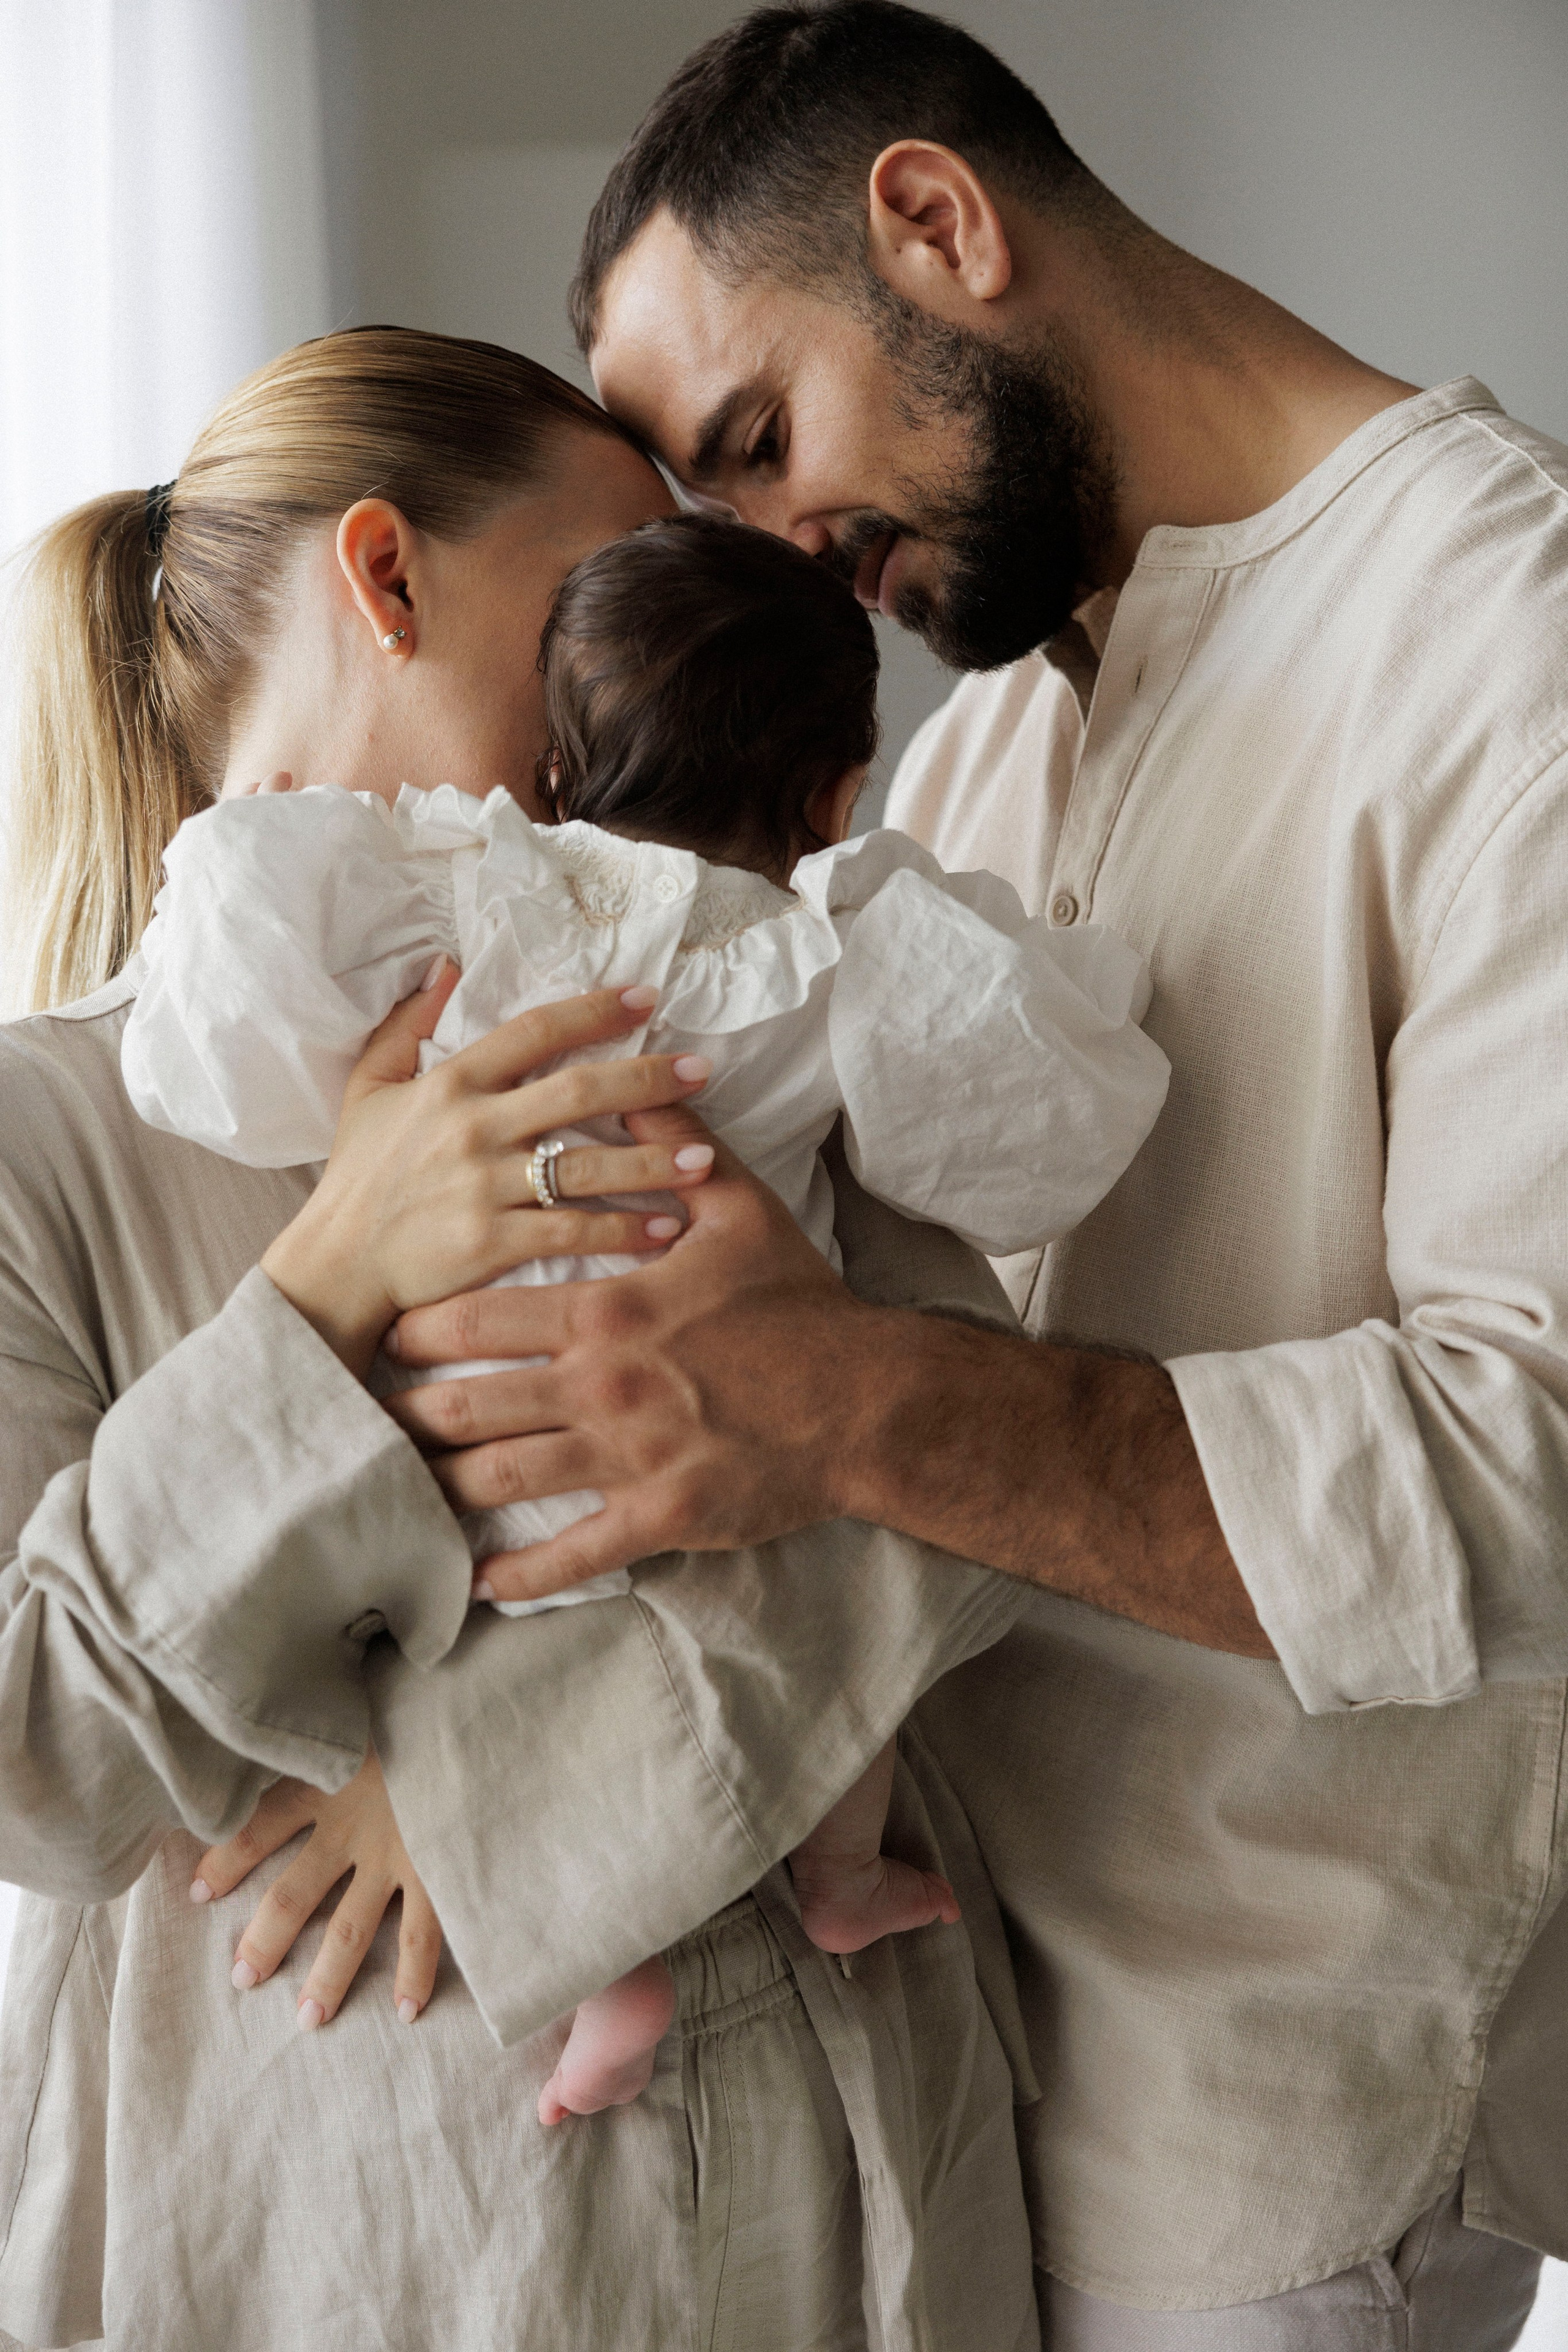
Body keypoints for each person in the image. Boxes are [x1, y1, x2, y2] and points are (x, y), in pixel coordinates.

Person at [363, 4, 1568, 2345]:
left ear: (938, 223)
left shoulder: (1507, 643)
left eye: (756, 439)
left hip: (1265, 2145)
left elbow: (1545, 1468)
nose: (777, 557)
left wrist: (828, 1396)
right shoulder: (992, 746)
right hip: (933, 2074)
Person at [0, 326, 1040, 2351]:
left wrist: (500, 1799)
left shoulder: (734, 1009)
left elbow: (977, 1481)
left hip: (855, 2211)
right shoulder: (46, 1139)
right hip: (354, 2248)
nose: (654, 663)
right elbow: (30, 1762)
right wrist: (323, 1289)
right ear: (388, 580)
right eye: (603, 596)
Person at [118, 508, 1166, 2128]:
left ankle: (607, 1965)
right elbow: (1046, 1132)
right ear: (835, 787)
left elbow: (211, 1019)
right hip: (692, 1437)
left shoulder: (465, 883)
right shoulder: (821, 956)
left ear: (558, 757)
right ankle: (833, 1873)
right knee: (843, 1639)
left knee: (465, 1642)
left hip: (462, 1439)